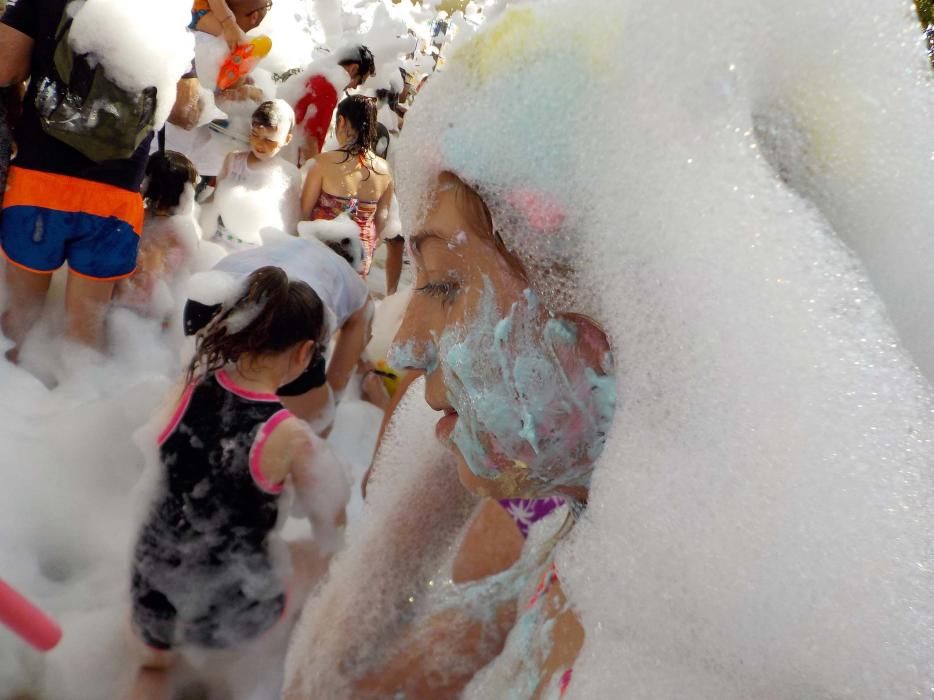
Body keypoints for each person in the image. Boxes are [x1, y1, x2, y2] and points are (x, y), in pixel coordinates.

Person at [128, 266, 350, 699]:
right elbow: (332, 522)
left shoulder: (187, 386)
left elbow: (156, 454)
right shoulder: (289, 435)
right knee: (319, 561)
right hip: (230, 611)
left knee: (153, 667)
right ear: (305, 353)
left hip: (152, 592)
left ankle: (153, 670)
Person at [0, 0, 203, 359]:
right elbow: (186, 111)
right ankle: (74, 400)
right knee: (85, 333)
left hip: (38, 179)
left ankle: (14, 402)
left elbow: (5, 67)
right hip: (115, 193)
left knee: (19, 319)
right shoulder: (163, 9)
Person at [183, 234, 373, 432]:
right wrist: (330, 399)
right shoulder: (356, 290)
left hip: (208, 304)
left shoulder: (285, 243)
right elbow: (341, 374)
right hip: (288, 322)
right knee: (313, 424)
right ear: (355, 265)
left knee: (204, 403)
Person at [300, 95, 394, 277]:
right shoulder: (384, 171)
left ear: (341, 121)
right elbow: (382, 222)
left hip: (321, 256)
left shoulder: (322, 164)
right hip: (359, 260)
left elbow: (303, 214)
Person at [113, 151, 207, 318]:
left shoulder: (134, 216)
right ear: (183, 193)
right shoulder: (178, 231)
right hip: (147, 309)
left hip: (119, 301)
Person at [203, 99, 300, 251]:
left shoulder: (288, 174)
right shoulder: (234, 159)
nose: (260, 144)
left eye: (269, 140)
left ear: (286, 139)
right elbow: (215, 198)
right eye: (255, 135)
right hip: (220, 240)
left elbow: (290, 221)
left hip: (254, 249)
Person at [291, 45, 376, 163]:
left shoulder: (318, 77)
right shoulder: (327, 89)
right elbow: (310, 139)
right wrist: (311, 175)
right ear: (354, 69)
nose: (356, 87)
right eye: (360, 81)